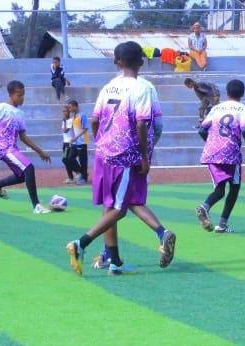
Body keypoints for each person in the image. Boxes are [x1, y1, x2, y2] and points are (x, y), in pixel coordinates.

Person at [65, 41, 177, 276]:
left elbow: (94, 120)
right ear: (141, 61)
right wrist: (145, 156)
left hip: (104, 153)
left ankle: (113, 258)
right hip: (126, 155)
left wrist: (101, 141)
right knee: (120, 207)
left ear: (117, 62)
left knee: (114, 202)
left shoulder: (108, 87)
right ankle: (80, 244)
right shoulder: (143, 88)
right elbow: (146, 124)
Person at [0, 80, 52, 214]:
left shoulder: (20, 114)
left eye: (23, 94)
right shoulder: (1, 107)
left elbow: (23, 137)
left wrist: (40, 152)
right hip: (3, 148)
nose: (22, 98)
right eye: (19, 95)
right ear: (10, 95)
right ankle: (37, 206)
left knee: (22, 176)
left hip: (13, 149)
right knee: (29, 167)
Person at [195, 78, 245, 233]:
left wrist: (211, 143)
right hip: (230, 153)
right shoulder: (244, 109)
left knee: (220, 189)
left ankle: (204, 207)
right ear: (242, 94)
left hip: (211, 152)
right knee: (235, 187)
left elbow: (202, 130)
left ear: (227, 93)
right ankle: (221, 224)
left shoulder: (216, 109)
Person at [62, 99, 90, 185]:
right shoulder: (73, 117)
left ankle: (84, 178)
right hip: (74, 143)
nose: (69, 109)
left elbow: (85, 129)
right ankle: (82, 173)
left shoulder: (82, 115)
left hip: (82, 142)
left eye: (70, 107)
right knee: (69, 159)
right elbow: (71, 130)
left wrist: (76, 137)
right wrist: (73, 139)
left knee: (82, 161)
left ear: (75, 106)